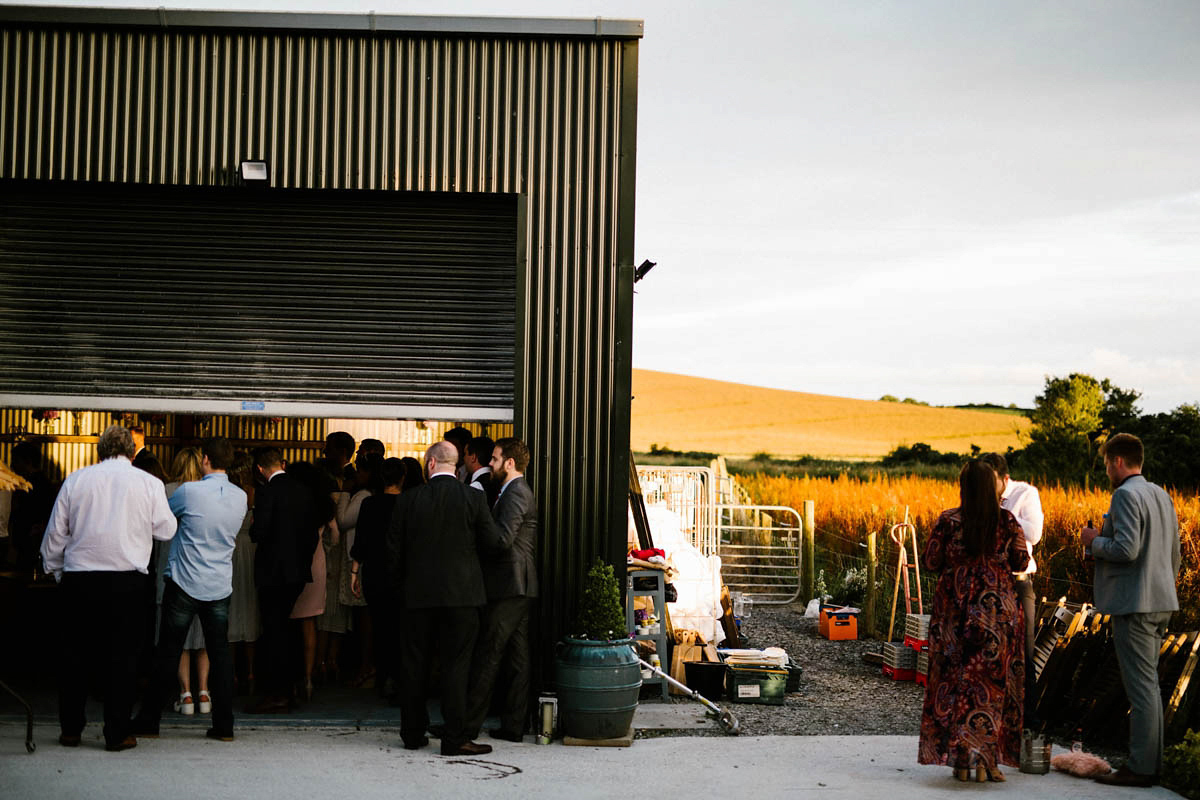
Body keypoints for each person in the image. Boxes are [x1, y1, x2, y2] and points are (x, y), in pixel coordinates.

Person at [40, 425, 177, 752]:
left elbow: (55, 535)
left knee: (74, 657)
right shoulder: (149, 483)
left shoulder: (76, 480)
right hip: (126, 582)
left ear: (99, 450)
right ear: (132, 452)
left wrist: (55, 570)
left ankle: (71, 730)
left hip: (80, 581)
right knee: (123, 660)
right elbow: (166, 529)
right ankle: (117, 733)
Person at [386, 440, 503, 756]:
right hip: (462, 598)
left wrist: (400, 590)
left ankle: (412, 734)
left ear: (430, 464)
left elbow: (393, 553)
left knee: (414, 666)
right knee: (457, 668)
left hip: (416, 597)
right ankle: (453, 738)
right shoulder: (474, 498)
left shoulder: (409, 500)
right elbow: (493, 544)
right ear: (457, 466)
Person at [918, 459, 1028, 783]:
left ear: (964, 488)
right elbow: (1022, 560)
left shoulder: (948, 521)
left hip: (954, 612)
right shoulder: (1007, 521)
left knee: (955, 684)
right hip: (996, 614)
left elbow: (930, 560)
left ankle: (961, 763)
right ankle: (987, 762)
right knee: (992, 687)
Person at [1081, 433, 1181, 787]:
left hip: (1135, 604)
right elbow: (1175, 555)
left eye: (1108, 463)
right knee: (1150, 687)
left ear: (1118, 462)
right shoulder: (1161, 495)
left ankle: (1140, 767)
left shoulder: (1124, 495)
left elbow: (1126, 549)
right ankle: (1150, 766)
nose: (1107, 469)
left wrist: (1094, 542)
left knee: (1140, 689)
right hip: (1162, 600)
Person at [132, 436, 248, 742]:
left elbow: (164, 518)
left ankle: (149, 720)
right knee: (220, 654)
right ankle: (224, 726)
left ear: (204, 460)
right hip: (219, 583)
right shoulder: (241, 497)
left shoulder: (189, 491)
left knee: (168, 653)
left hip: (184, 582)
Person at [465, 437, 539, 743]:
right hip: (518, 585)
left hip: (510, 584)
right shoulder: (513, 491)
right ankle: (513, 726)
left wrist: (478, 525)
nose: (490, 464)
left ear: (509, 463)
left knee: (488, 655)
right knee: (517, 658)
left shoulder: (515, 493)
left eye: (494, 459)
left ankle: (465, 728)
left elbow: (502, 540)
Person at [248, 447, 318, 713]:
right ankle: (291, 688)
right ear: (283, 464)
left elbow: (260, 532)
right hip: (297, 572)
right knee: (286, 630)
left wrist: (255, 527)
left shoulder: (266, 492)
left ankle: (277, 692)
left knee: (274, 632)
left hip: (272, 573)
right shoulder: (303, 490)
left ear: (259, 470)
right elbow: (312, 535)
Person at [980, 452, 1043, 721]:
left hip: (1017, 583)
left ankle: (1027, 720)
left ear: (1005, 479)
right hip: (987, 584)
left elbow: (1034, 534)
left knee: (1022, 651)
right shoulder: (979, 497)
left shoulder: (1025, 494)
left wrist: (1001, 514)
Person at [158, 448, 210, 716]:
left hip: (171, 568)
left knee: (176, 638)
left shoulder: (167, 491)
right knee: (202, 639)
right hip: (202, 571)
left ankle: (185, 694)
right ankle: (204, 692)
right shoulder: (207, 492)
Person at [350, 457, 405, 699]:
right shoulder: (408, 503)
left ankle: (382, 678)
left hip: (374, 572)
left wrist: (354, 572)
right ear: (402, 478)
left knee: (379, 627)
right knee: (401, 627)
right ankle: (398, 678)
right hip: (402, 574)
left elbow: (360, 541)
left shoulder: (370, 504)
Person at [287, 461, 336, 701]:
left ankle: (291, 676)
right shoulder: (323, 504)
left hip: (293, 559)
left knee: (289, 621)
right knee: (309, 622)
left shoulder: (293, 502)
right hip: (317, 560)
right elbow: (335, 536)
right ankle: (307, 677)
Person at [225, 452, 261, 694]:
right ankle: (249, 670)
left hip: (230, 552)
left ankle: (231, 672)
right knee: (249, 607)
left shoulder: (228, 494)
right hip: (251, 552)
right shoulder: (256, 493)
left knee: (230, 607)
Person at [464, 436, 499, 507]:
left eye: (465, 454)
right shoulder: (497, 480)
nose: (463, 458)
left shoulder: (476, 486)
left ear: (473, 457)